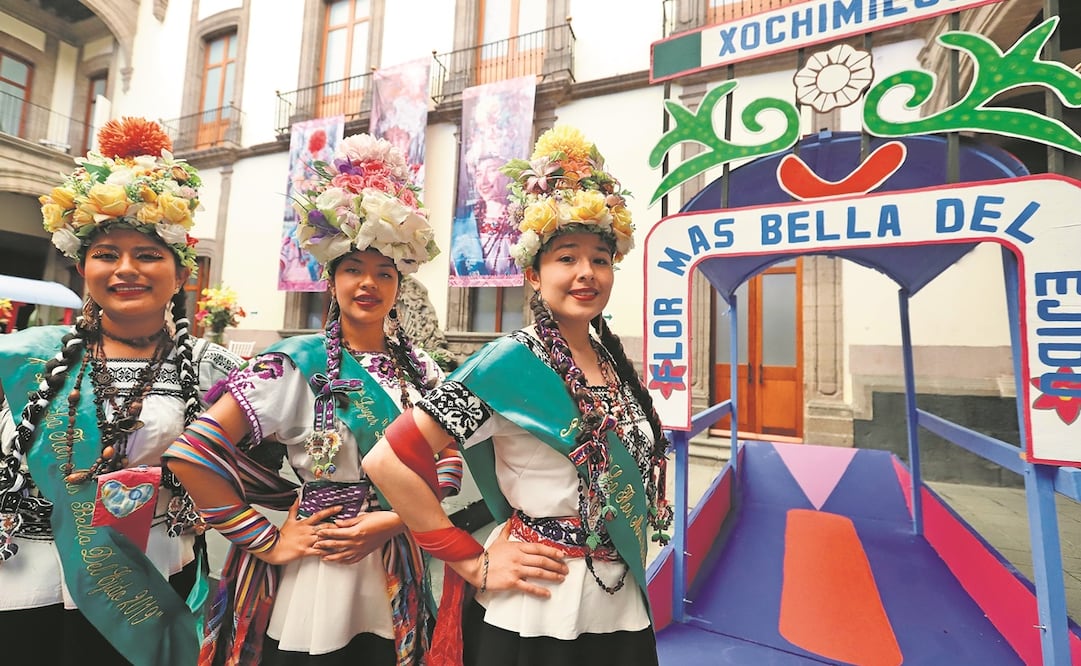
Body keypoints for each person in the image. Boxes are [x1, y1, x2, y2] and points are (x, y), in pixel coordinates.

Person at [363, 126, 674, 666]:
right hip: (538, 608)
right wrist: (469, 559)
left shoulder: (611, 362)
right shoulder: (509, 364)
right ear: (532, 274)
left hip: (620, 599)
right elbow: (388, 459)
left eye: (600, 259)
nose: (587, 273)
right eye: (567, 258)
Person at [164, 132, 460, 665]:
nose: (368, 283)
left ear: (399, 286)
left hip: (396, 556)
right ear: (331, 278)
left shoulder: (423, 369)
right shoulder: (289, 364)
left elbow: (450, 459)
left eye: (383, 273)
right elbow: (192, 452)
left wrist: (393, 519)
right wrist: (266, 540)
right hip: (318, 564)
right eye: (353, 269)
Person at [0, 117, 242, 664]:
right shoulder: (24, 355)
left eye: (149, 255)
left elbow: (270, 461)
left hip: (147, 577)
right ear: (83, 266)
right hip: (24, 577)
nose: (126, 269)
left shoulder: (210, 367)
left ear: (182, 274)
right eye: (107, 254)